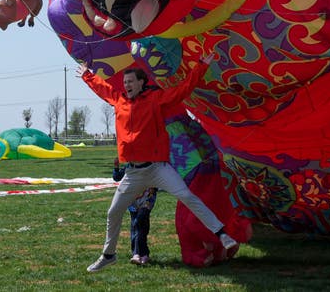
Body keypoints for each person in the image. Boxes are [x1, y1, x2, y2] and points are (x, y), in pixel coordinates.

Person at [78, 53, 237, 273]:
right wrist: (87, 75)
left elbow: (183, 89)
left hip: (157, 168)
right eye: (125, 83)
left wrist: (201, 66)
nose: (127, 85)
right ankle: (108, 255)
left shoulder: (155, 99)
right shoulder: (119, 100)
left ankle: (222, 234)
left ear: (142, 83)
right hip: (133, 173)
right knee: (113, 212)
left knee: (187, 195)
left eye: (131, 82)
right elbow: (101, 87)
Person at [113, 157, 157, 265]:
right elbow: (117, 177)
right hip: (133, 202)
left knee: (139, 224)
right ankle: (139, 254)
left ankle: (141, 253)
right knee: (135, 226)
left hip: (147, 202)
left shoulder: (153, 166)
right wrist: (116, 167)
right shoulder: (130, 166)